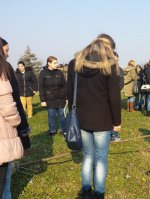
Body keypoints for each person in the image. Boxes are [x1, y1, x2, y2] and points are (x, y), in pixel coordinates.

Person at [67, 34, 121, 199]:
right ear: (107, 47)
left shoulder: (74, 63)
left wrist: (72, 116)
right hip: (102, 120)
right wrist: (117, 122)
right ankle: (98, 193)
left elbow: (70, 92)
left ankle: (86, 191)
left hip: (81, 119)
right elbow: (114, 97)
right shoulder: (110, 65)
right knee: (101, 158)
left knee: (87, 156)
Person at [1, 37, 30, 199]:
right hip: (3, 133)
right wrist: (19, 123)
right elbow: (9, 104)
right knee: (4, 181)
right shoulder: (3, 69)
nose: (8, 54)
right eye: (6, 50)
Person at [39, 56, 67, 136]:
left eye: (57, 62)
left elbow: (64, 85)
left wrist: (66, 97)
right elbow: (41, 87)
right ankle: (52, 130)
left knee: (62, 115)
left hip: (60, 98)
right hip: (49, 98)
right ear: (49, 63)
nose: (57, 64)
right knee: (51, 115)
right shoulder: (43, 73)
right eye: (55, 63)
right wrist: (43, 100)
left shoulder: (59, 72)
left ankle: (63, 130)